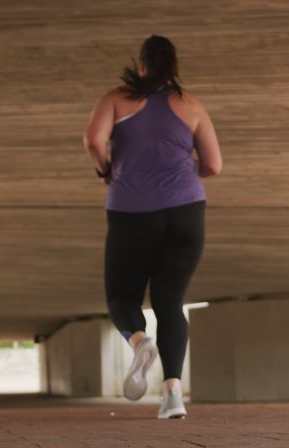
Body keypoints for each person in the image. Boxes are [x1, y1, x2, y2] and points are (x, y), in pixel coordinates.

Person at [83, 35, 222, 419]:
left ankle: (141, 340)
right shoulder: (191, 105)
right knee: (170, 302)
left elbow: (94, 140)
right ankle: (173, 395)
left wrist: (106, 169)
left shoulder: (116, 99)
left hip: (132, 211)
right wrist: (181, 171)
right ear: (173, 66)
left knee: (122, 299)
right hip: (187, 211)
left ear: (142, 64)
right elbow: (213, 165)